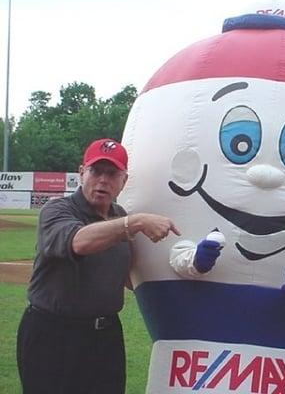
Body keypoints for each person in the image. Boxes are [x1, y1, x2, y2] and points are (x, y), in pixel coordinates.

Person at [16, 138, 180, 394]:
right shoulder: (57, 210)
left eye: (112, 173)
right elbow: (78, 242)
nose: (103, 180)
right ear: (82, 173)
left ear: (123, 181)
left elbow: (129, 276)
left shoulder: (120, 215)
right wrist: (133, 223)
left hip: (105, 336)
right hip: (52, 335)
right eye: (96, 171)